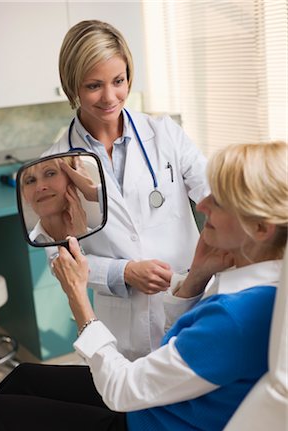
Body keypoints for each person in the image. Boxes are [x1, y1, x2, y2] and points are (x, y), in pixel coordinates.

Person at [0, 141, 287, 431]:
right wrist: (196, 277)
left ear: (261, 228)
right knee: (23, 376)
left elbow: (121, 390)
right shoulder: (258, 289)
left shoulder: (236, 315)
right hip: (161, 406)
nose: (201, 205)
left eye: (220, 201)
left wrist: (77, 296)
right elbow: (172, 349)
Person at [43, 19, 209, 360]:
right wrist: (124, 272)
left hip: (188, 299)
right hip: (123, 322)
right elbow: (59, 257)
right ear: (71, 86)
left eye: (119, 81)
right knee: (130, 403)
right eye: (93, 86)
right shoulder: (53, 165)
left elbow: (215, 196)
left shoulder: (166, 135)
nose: (110, 97)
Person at [20, 155, 98, 243]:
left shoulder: (102, 242)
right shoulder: (27, 245)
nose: (40, 187)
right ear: (24, 195)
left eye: (50, 174)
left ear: (73, 180)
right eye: (30, 180)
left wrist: (82, 236)